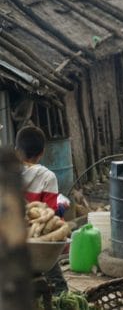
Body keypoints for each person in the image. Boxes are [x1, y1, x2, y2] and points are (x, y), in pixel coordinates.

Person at [15, 125, 68, 294]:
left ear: (16, 150)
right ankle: (61, 295)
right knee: (57, 282)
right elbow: (50, 214)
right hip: (36, 242)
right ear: (42, 152)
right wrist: (61, 208)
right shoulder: (48, 177)